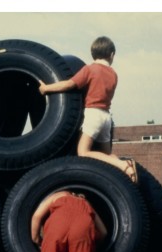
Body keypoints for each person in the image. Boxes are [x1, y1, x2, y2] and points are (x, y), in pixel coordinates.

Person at [38, 36, 137, 184]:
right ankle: (124, 170)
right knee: (106, 156)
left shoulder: (90, 70)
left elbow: (69, 84)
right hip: (106, 118)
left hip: (93, 115)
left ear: (92, 53)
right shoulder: (113, 74)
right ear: (111, 55)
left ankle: (123, 164)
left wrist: (46, 88)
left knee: (83, 152)